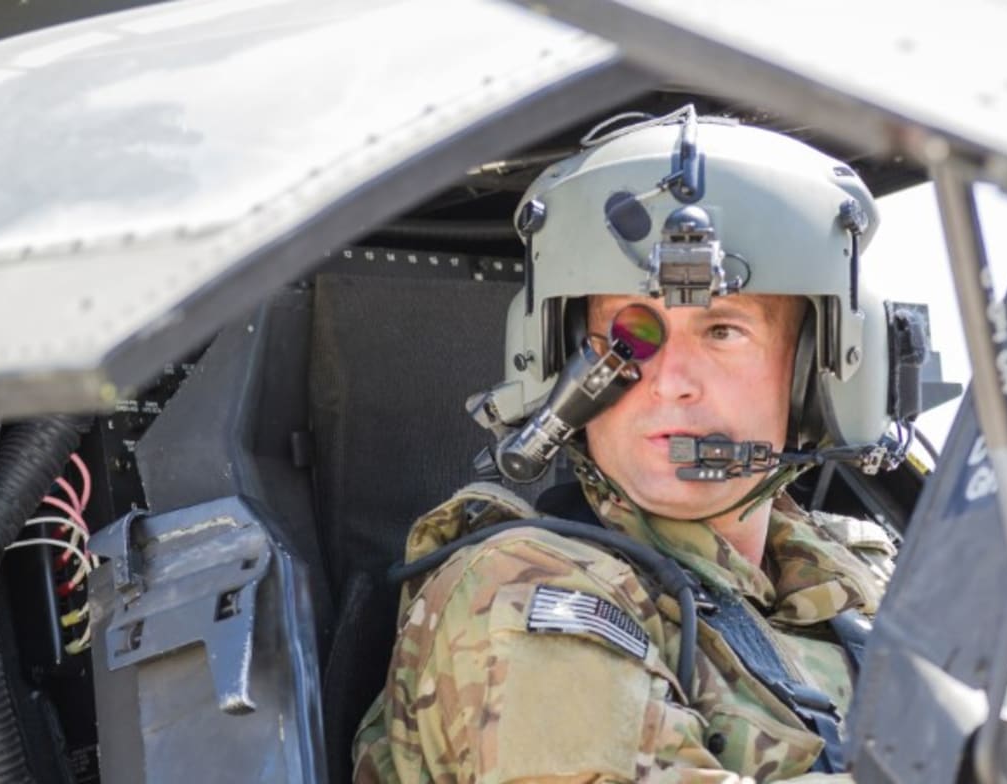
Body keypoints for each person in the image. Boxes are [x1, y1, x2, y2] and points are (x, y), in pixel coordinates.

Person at [353, 108, 925, 783]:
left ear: (812, 376)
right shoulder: (526, 590)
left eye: (722, 332)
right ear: (559, 365)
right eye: (634, 337)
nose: (671, 384)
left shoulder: (861, 572)